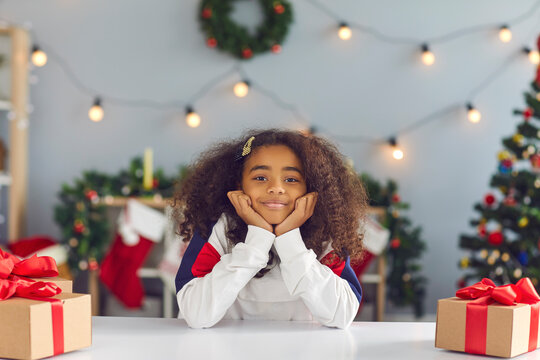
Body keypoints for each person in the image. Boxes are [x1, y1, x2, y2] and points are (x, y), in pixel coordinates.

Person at [173, 129, 367, 329]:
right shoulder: (218, 227)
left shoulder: (326, 233)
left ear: (310, 188)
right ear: (239, 185)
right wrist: (258, 239)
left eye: (291, 179)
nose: (276, 188)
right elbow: (195, 314)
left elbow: (342, 315)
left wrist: (289, 238)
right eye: (260, 178)